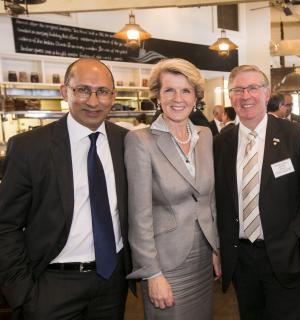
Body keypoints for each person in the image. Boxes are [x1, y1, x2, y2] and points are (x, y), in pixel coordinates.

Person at [0, 58, 132, 319]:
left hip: (111, 282)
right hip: (51, 285)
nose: (93, 102)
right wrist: (23, 292)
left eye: (102, 91)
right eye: (82, 90)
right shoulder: (29, 147)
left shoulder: (126, 142)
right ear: (65, 92)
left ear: (113, 96)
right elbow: (5, 225)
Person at [214, 65, 300, 319]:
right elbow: (219, 201)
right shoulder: (222, 142)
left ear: (267, 93)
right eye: (238, 90)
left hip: (286, 257)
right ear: (230, 97)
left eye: (253, 88)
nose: (246, 96)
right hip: (241, 259)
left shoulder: (296, 136)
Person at [125, 58, 221, 320]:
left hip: (203, 256)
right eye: (169, 90)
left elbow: (208, 199)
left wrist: (216, 249)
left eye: (185, 90)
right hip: (165, 263)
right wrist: (152, 273)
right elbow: (139, 216)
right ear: (157, 96)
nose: (177, 98)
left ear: (196, 98)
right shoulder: (140, 141)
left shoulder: (205, 135)